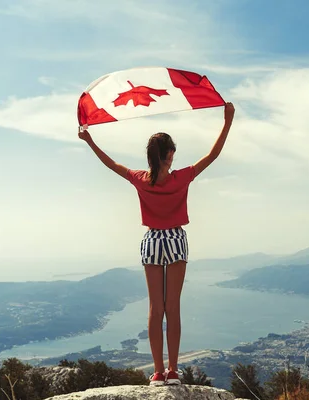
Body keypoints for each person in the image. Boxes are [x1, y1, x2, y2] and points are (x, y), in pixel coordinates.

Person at [78, 102, 235, 386]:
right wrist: (227, 121)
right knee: (172, 306)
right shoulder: (181, 177)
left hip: (151, 241)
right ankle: (174, 371)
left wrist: (89, 139)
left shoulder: (141, 180)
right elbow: (213, 154)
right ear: (170, 154)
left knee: (155, 308)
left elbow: (112, 164)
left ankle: (158, 373)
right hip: (175, 239)